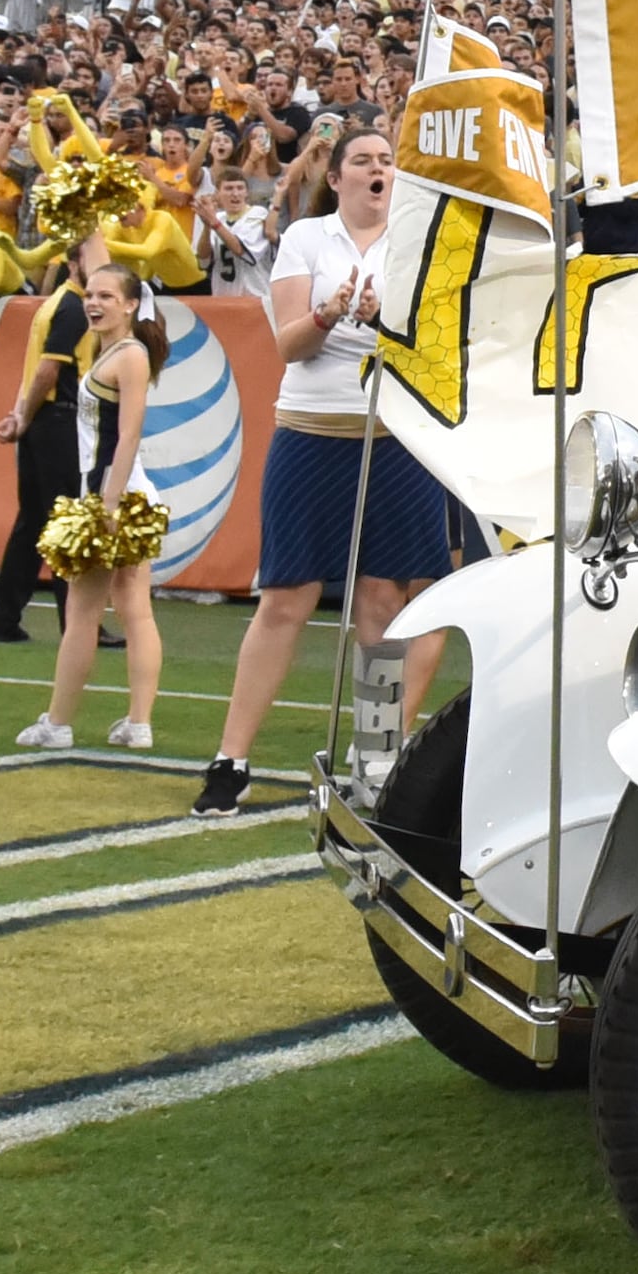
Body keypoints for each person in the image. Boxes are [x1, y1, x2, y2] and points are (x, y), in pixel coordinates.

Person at [190, 129, 455, 815]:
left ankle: (375, 757)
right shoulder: (306, 238)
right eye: (363, 160)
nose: (377, 169)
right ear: (335, 178)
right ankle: (231, 758)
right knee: (286, 596)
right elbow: (289, 345)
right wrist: (328, 313)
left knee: (384, 600)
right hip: (310, 432)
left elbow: (436, 349)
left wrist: (382, 320)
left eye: (386, 161)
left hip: (395, 436)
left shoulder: (419, 243)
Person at [13, 265, 167, 753]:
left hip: (114, 497)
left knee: (85, 614)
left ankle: (59, 724)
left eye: (107, 296)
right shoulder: (113, 351)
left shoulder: (130, 355)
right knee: (131, 610)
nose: (94, 303)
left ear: (131, 305)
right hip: (115, 495)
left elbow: (129, 434)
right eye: (90, 295)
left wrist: (108, 504)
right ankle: (137, 724)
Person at [0, 270, 93, 645]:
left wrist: (21, 415)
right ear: (77, 263)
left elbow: (35, 369)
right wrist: (24, 417)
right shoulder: (74, 308)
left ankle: (4, 620)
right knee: (67, 522)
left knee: (32, 522)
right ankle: (77, 624)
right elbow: (48, 370)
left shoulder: (52, 304)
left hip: (42, 421)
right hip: (60, 419)